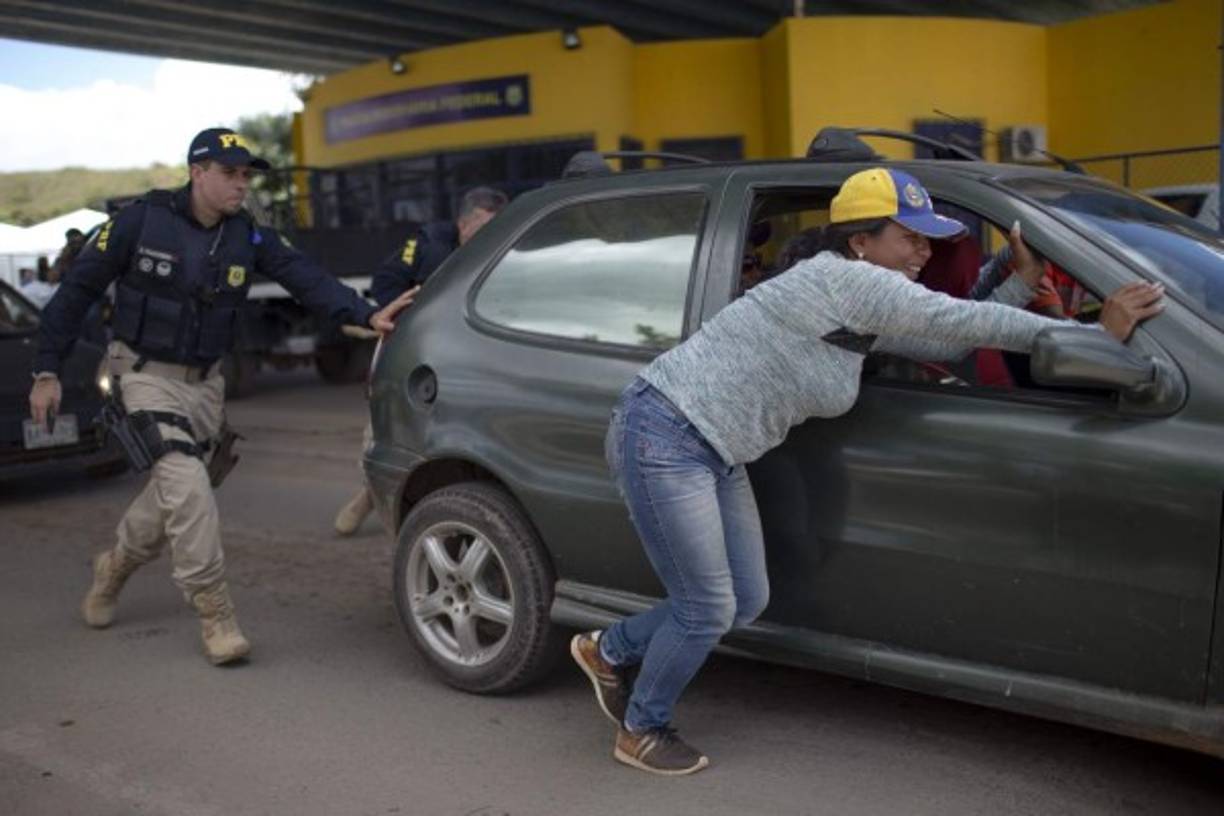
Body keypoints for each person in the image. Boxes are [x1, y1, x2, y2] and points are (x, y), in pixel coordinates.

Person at [569, 167, 1164, 776]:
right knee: (706, 607)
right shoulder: (838, 280)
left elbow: (944, 343)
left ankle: (607, 648)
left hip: (717, 450)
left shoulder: (859, 307)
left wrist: (1016, 280)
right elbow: (954, 321)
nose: (924, 250)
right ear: (860, 241)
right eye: (910, 237)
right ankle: (642, 727)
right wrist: (1090, 335)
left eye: (929, 239)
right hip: (666, 435)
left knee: (744, 600)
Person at [28, 127, 418, 666]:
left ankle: (114, 565)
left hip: (206, 387)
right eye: (231, 174)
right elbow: (75, 294)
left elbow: (305, 277)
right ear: (198, 173)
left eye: (246, 176)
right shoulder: (139, 222)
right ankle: (215, 612)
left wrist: (364, 313)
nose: (241, 185)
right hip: (144, 375)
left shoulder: (246, 236)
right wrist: (46, 370)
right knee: (188, 489)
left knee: (171, 499)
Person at [333, 186, 508, 535]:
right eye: (484, 227)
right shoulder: (428, 246)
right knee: (387, 434)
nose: (489, 236)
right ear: (463, 223)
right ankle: (376, 498)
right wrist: (406, 318)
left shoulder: (502, 251)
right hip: (419, 354)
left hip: (470, 359)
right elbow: (386, 281)